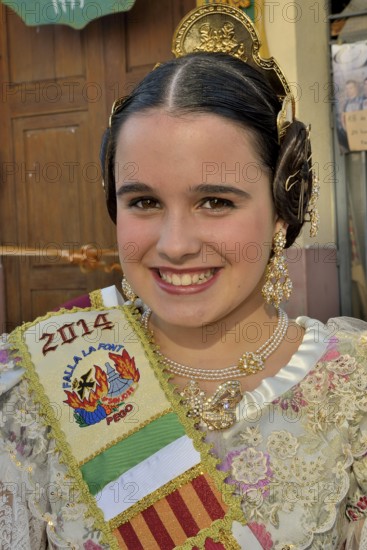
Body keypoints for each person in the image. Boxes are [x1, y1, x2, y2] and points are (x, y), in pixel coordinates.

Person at [1, 4, 367, 549]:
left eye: (215, 201)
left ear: (284, 207)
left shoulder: (353, 391)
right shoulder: (34, 390)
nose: (174, 245)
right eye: (144, 201)